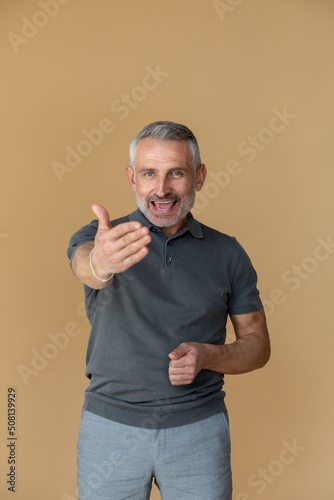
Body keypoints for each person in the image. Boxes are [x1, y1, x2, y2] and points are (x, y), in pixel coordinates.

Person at [67, 121, 270, 500]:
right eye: (149, 174)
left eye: (175, 173)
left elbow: (258, 345)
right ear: (132, 178)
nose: (161, 189)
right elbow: (86, 266)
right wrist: (101, 261)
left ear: (199, 176)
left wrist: (210, 355)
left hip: (199, 431)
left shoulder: (229, 253)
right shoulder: (102, 237)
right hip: (110, 428)